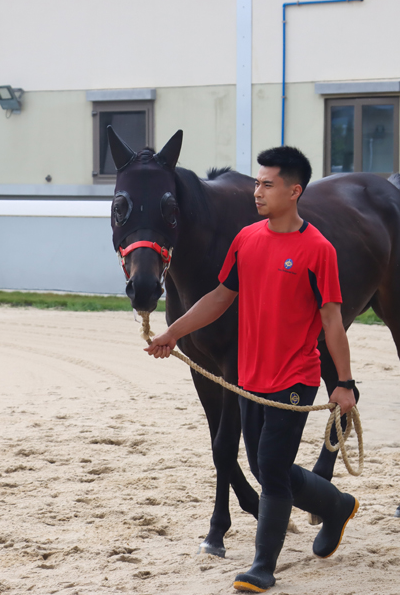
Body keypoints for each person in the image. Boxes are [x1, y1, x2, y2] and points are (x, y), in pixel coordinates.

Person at [145, 146, 359, 593]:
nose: (256, 191)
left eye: (267, 184)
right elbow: (220, 297)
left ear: (294, 191)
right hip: (249, 378)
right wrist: (173, 334)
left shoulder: (318, 249)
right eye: (256, 183)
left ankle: (263, 566)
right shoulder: (246, 239)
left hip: (295, 377)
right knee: (267, 469)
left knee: (272, 471)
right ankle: (337, 506)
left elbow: (332, 321)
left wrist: (344, 384)